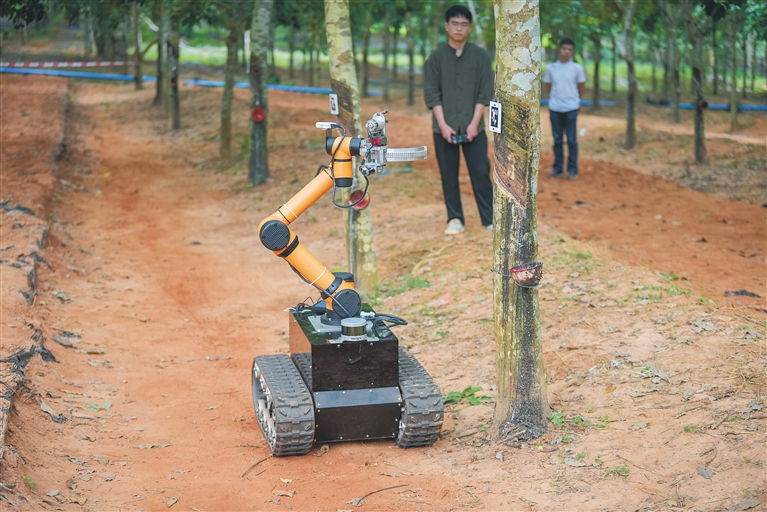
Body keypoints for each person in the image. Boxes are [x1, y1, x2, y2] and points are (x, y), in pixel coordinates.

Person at [424, 5, 494, 235]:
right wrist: (443, 125)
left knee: (481, 172)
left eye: (464, 24)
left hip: (475, 127)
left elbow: (484, 93)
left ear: (470, 27)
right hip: (443, 128)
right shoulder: (435, 59)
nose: (459, 28)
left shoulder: (481, 57)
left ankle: (490, 219)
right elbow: (432, 95)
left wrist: (474, 124)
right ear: (447, 26)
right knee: (448, 174)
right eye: (454, 23)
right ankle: (454, 218)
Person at [544, 38, 586, 179]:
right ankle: (558, 168)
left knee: (572, 140)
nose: (566, 52)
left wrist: (575, 100)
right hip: (555, 108)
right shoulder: (551, 68)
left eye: (569, 49)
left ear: (572, 51)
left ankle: (572, 169)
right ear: (559, 49)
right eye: (564, 49)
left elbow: (581, 87)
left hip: (571, 108)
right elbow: (548, 87)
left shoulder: (577, 68)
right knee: (557, 140)